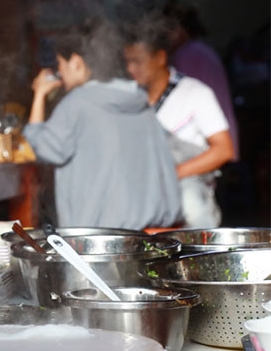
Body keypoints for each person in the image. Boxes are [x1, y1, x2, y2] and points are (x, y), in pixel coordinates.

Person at [22, 18, 181, 230]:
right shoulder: (138, 100)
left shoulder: (78, 102)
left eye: (60, 63)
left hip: (97, 237)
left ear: (76, 63)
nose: (60, 70)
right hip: (147, 230)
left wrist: (39, 95)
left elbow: (47, 149)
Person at [123, 13, 235, 228]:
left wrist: (172, 173)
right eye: (127, 61)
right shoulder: (129, 97)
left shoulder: (195, 93)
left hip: (188, 202)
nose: (130, 69)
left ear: (160, 58)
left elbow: (223, 150)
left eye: (137, 61)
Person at [164, 3, 240, 160]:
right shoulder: (202, 50)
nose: (165, 37)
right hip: (219, 135)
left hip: (209, 142)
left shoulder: (186, 55)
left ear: (181, 29)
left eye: (168, 30)